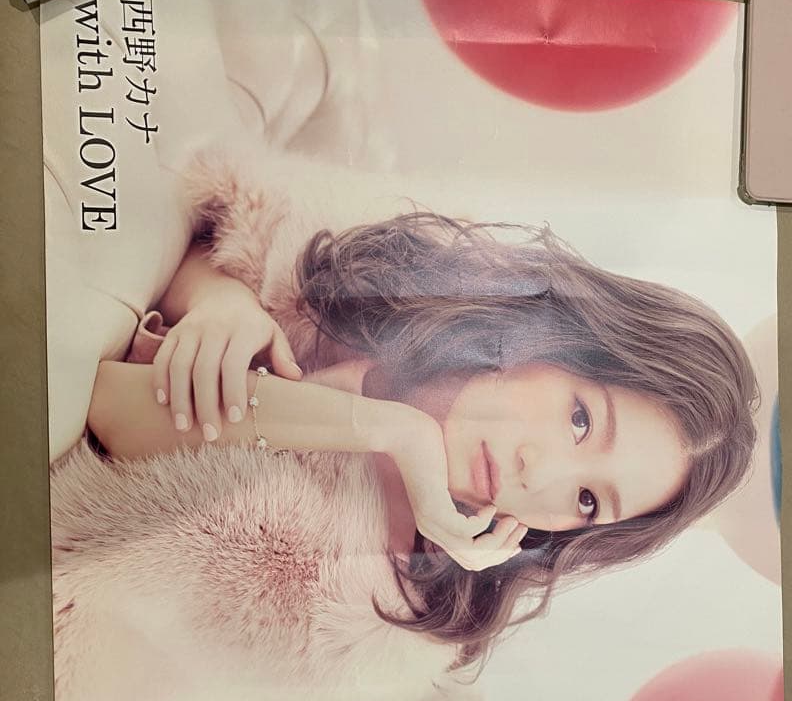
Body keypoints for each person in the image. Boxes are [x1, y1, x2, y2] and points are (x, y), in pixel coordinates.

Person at [86, 203, 758, 668]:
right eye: (580, 419)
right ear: (559, 343)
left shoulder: (371, 605)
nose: (541, 474)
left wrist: (393, 431)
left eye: (586, 501)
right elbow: (211, 232)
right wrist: (220, 302)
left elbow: (114, 412)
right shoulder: (396, 277)